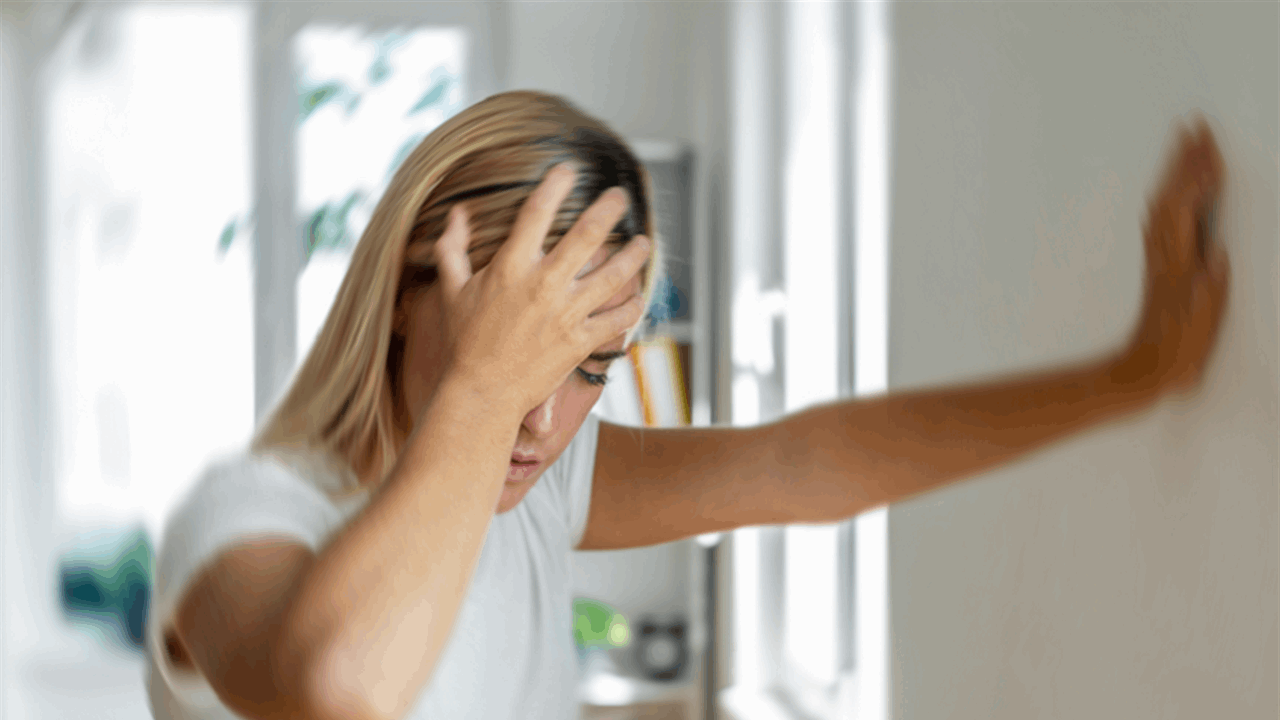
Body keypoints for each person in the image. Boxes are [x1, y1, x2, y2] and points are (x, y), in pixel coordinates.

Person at [145, 90, 1229, 720]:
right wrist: (480, 387)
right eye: (509, 348)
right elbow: (341, 686)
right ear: (400, 293)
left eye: (590, 366)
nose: (540, 420)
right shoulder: (242, 519)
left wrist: (1134, 372)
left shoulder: (537, 486)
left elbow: (805, 464)